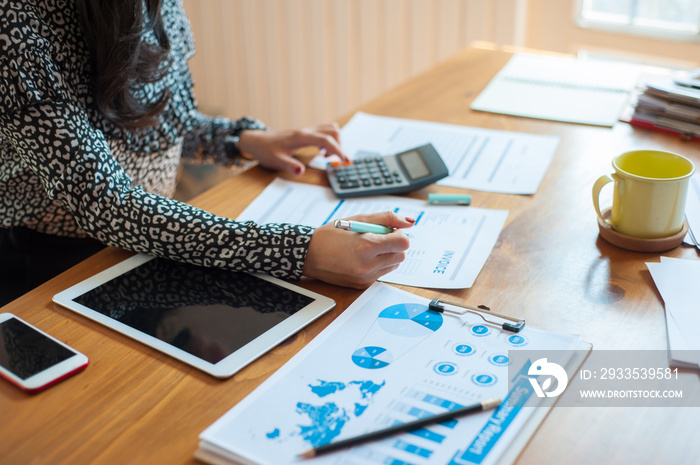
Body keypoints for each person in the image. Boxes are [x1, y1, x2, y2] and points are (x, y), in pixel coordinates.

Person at [0, 0, 412, 307]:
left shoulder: (149, 8)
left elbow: (149, 120)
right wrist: (301, 251)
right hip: (47, 260)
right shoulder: (14, 23)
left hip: (149, 234)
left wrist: (238, 140)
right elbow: (107, 204)